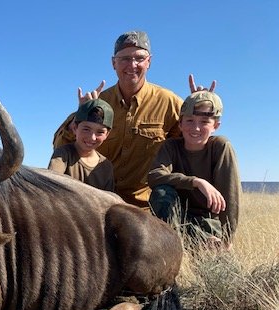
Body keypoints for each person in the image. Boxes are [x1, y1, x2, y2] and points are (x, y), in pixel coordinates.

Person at [53, 31, 183, 208]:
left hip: (145, 207)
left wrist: (200, 108)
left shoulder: (169, 102)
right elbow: (60, 147)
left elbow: (191, 144)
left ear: (149, 61)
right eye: (125, 59)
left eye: (139, 58)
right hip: (99, 202)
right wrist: (80, 114)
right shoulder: (98, 102)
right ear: (113, 63)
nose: (132, 64)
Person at [147, 91, 241, 248]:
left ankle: (199, 244)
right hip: (175, 219)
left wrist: (227, 238)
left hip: (207, 222)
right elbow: (155, 176)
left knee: (213, 245)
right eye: (190, 120)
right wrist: (196, 182)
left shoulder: (220, 147)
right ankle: (175, 248)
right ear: (181, 124)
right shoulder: (171, 146)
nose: (196, 128)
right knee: (161, 193)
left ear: (215, 126)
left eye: (204, 122)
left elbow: (230, 195)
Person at [48, 98, 115, 192]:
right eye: (86, 129)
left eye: (100, 132)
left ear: (107, 134)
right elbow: (51, 188)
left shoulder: (106, 167)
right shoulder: (62, 155)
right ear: (75, 128)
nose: (92, 137)